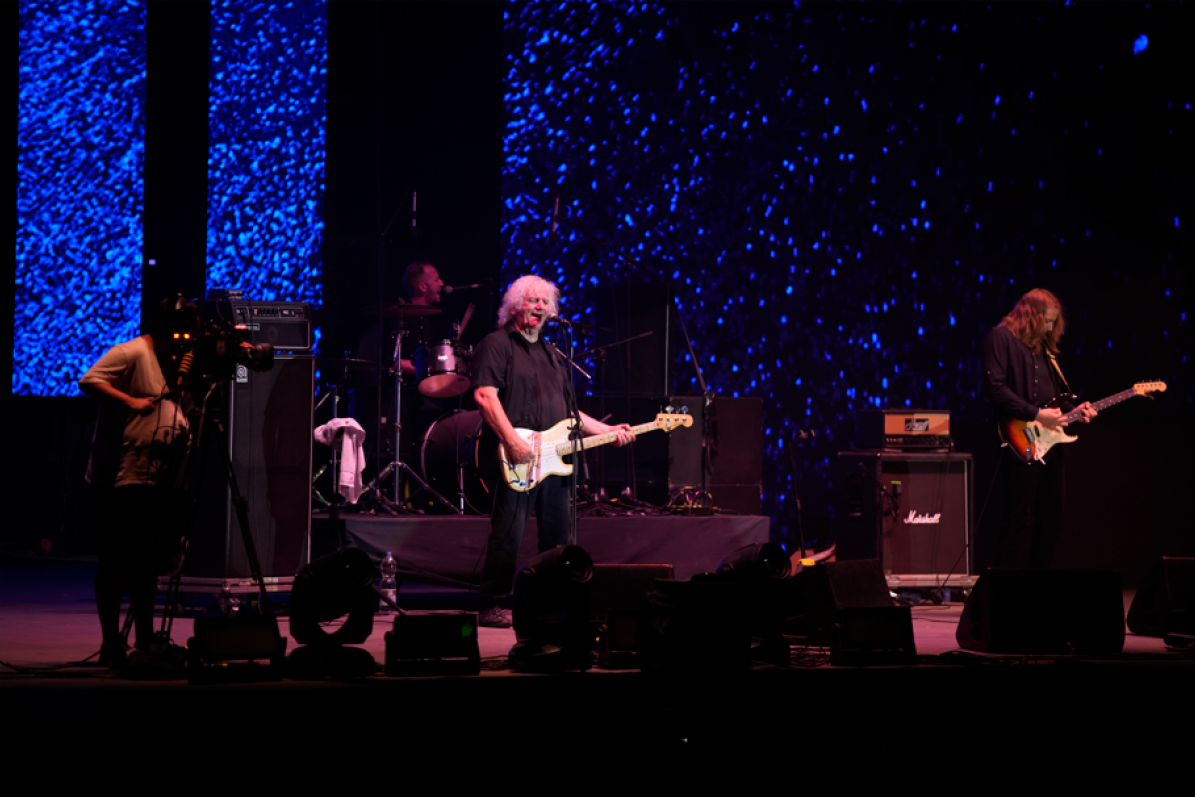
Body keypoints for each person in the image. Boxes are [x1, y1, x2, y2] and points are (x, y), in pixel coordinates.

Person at [470, 275, 634, 627]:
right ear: (514, 306)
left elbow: (569, 413)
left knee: (558, 534)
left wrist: (607, 430)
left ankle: (551, 600)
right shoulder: (496, 344)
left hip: (554, 457)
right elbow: (485, 395)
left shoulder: (552, 354)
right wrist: (513, 441)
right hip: (513, 454)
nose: (539, 307)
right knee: (508, 531)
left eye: (544, 302)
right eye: (531, 300)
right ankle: (491, 602)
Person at [79, 295, 198, 668]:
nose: (180, 342)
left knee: (149, 563)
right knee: (116, 560)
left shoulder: (174, 359)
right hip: (126, 477)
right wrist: (129, 402)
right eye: (175, 336)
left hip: (160, 478)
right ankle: (112, 642)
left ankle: (145, 638)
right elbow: (90, 379)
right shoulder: (131, 351)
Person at [981, 288, 1096, 569]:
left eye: (1053, 323)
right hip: (1021, 439)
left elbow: (1057, 396)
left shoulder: (1046, 352)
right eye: (1046, 321)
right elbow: (995, 388)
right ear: (1030, 316)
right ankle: (1003, 593)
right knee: (1018, 520)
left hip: (1051, 446)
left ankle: (1036, 590)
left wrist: (1075, 411)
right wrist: (1036, 414)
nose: (1049, 328)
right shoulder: (1001, 338)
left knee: (1052, 521)